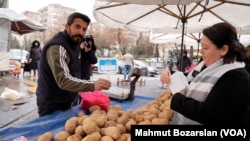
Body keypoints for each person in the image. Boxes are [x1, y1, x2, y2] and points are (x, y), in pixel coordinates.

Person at [167, 22, 250, 125]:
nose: (201, 51)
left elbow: (211, 114)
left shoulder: (236, 77)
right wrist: (170, 74)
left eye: (205, 48)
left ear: (224, 49)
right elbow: (192, 78)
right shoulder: (207, 65)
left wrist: (177, 100)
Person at [36, 12, 111, 116]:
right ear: (67, 27)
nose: (80, 32)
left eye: (84, 29)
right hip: (51, 103)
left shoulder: (75, 43)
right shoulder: (58, 47)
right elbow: (64, 80)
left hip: (66, 100)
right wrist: (93, 85)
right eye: (77, 27)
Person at [72, 34, 98, 105]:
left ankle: (81, 107)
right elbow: (73, 59)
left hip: (85, 76)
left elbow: (94, 61)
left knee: (83, 96)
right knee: (74, 96)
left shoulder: (90, 50)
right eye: (86, 42)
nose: (87, 43)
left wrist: (89, 52)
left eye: (90, 42)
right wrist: (80, 49)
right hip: (76, 75)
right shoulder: (77, 48)